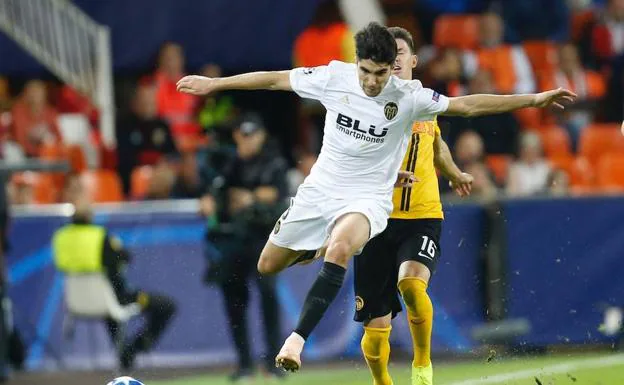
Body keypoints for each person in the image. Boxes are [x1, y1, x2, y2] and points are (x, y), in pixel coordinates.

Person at [177, 22, 575, 372]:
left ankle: (295, 342)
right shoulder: (334, 77)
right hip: (321, 191)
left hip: (369, 199)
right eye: (366, 72)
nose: (371, 82)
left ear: (392, 68)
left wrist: (533, 99)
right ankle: (320, 246)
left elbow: (467, 106)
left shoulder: (409, 96)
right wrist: (216, 84)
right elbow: (274, 79)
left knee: (342, 248)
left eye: (380, 74)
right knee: (267, 265)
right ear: (357, 63)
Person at [353, 27, 473, 385]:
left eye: (400, 51)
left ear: (412, 60)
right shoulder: (366, 103)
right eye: (389, 52)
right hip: (374, 218)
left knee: (412, 283)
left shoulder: (426, 100)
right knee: (376, 324)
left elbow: (435, 143)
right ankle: (382, 382)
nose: (396, 57)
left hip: (422, 214)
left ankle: (422, 364)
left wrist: (453, 172)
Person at [199, 113, 288, 381]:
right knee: (234, 302)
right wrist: (209, 198)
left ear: (261, 135)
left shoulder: (274, 162)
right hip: (233, 240)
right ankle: (245, 363)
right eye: (242, 134)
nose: (247, 140)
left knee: (268, 297)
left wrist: (250, 198)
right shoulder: (228, 162)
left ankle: (274, 361)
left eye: (251, 134)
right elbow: (214, 192)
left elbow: (275, 196)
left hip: (264, 238)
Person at [52, 199, 176, 370]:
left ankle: (125, 353)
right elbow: (124, 258)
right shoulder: (99, 237)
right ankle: (134, 349)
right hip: (112, 300)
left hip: (76, 302)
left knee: (112, 308)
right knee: (167, 306)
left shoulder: (61, 238)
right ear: (90, 216)